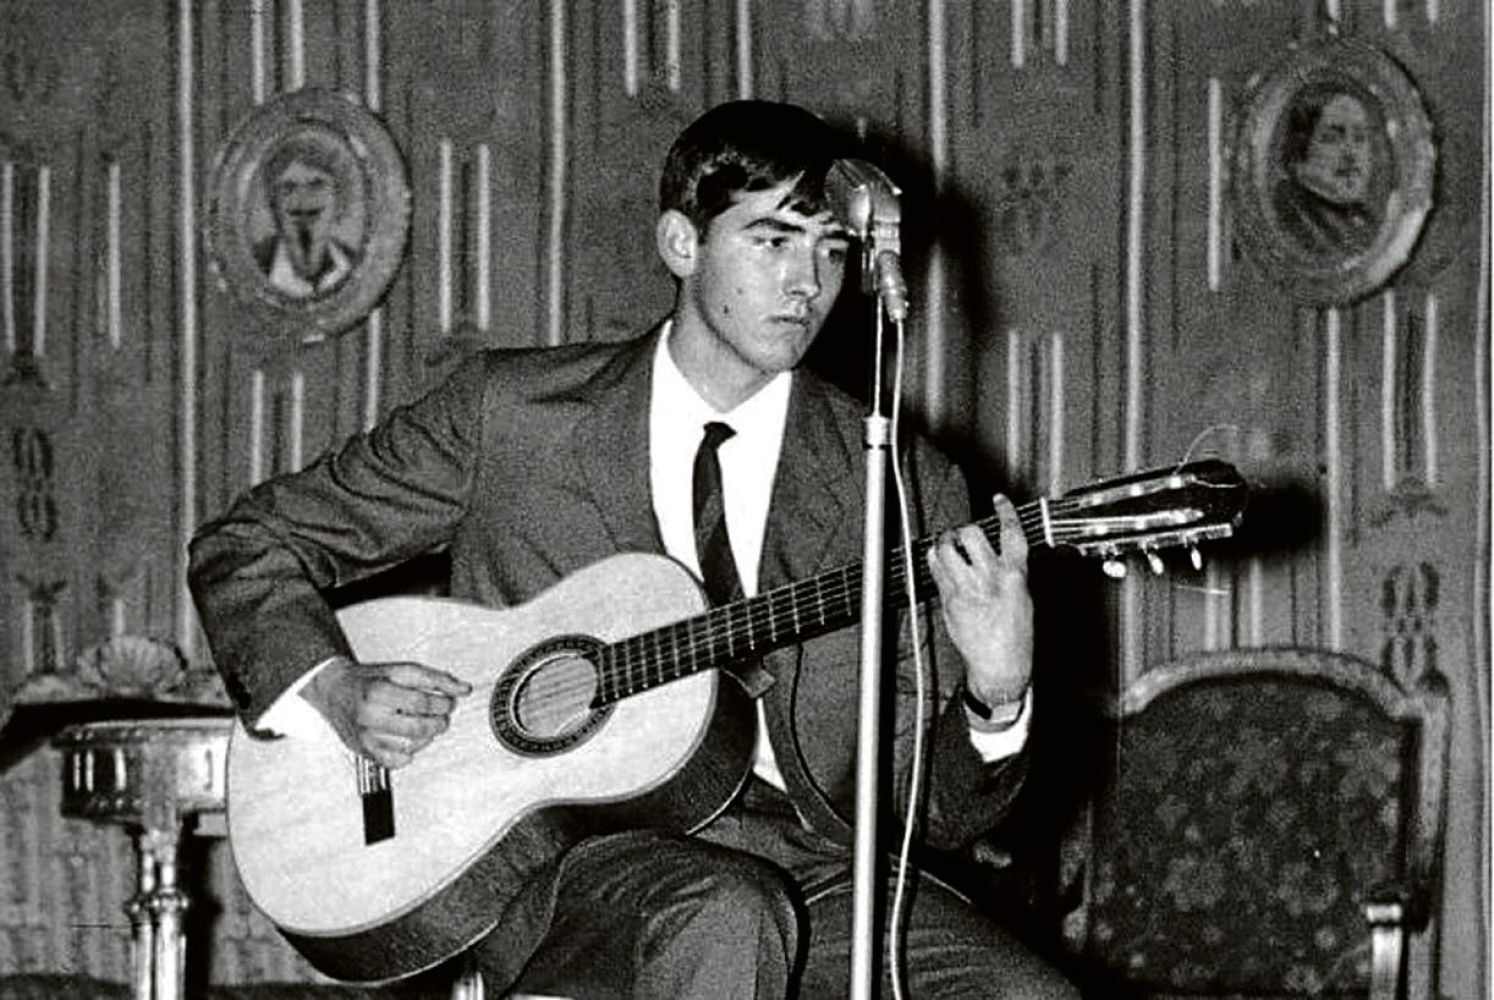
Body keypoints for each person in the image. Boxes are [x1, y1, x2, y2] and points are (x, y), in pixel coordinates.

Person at [189, 99, 1078, 999]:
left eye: (832, 250)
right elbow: (250, 543)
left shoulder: (901, 480)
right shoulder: (512, 419)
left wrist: (995, 697)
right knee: (725, 914)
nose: (808, 283)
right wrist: (334, 688)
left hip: (813, 868)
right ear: (681, 245)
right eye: (772, 241)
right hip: (565, 868)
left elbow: (930, 812)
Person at [1273, 87, 1379, 257]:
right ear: (1300, 148)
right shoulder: (1289, 221)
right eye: (1333, 138)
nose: (1351, 153)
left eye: (1360, 138)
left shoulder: (1365, 224)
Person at [253, 132, 360, 299]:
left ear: (339, 197)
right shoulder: (253, 265)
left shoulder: (357, 264)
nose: (303, 199)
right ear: (273, 203)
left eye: (317, 184)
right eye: (289, 187)